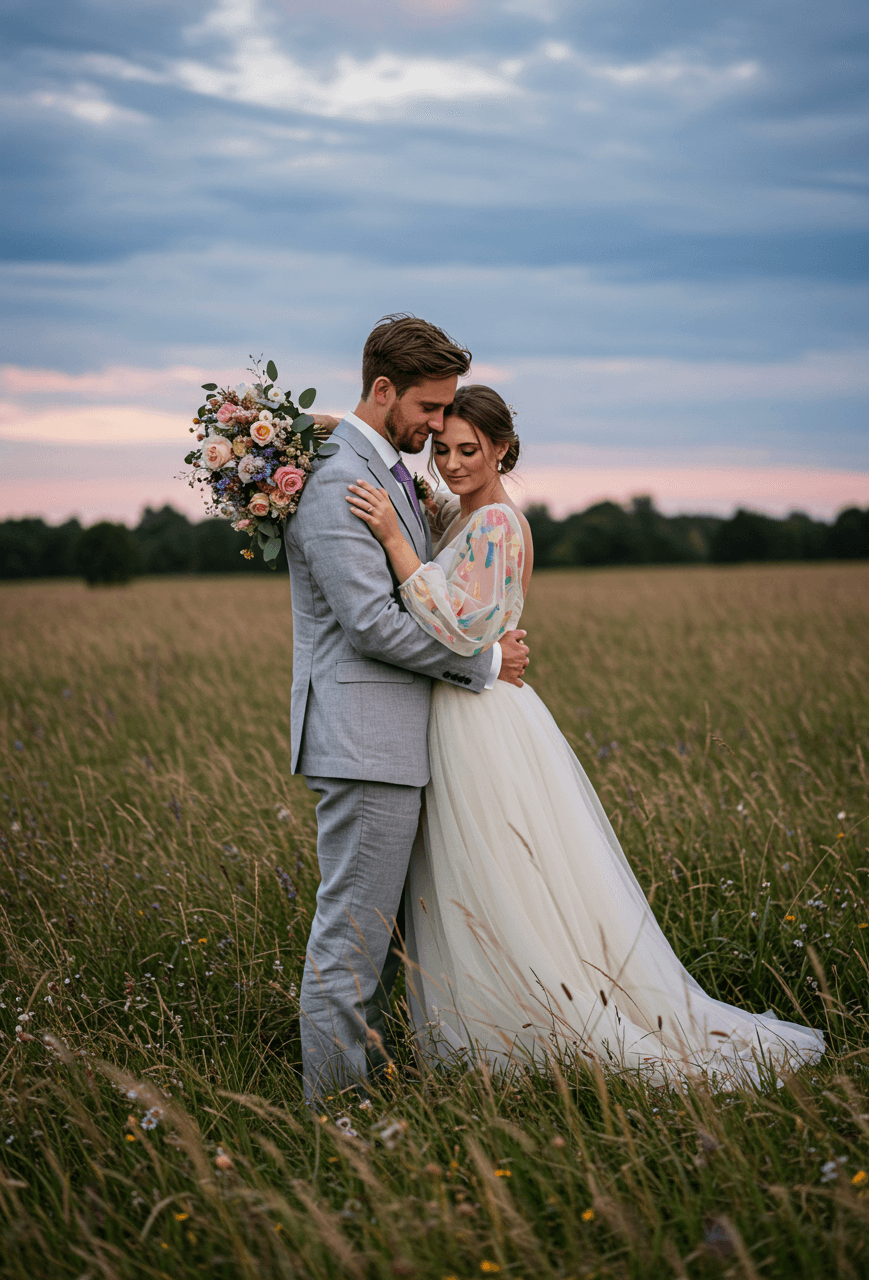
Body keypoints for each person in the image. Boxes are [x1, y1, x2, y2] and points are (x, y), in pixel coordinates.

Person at [345, 384, 825, 1090]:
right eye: (442, 448)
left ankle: (527, 1027)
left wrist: (391, 540)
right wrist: (311, 430)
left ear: (502, 449)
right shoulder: (461, 516)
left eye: (468, 451)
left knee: (498, 875)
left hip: (477, 716)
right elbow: (406, 476)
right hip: (467, 708)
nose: (450, 464)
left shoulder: (498, 526)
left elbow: (463, 627)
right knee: (471, 875)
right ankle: (481, 1023)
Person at [285, 316, 529, 1105]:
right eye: (429, 409)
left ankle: (376, 1079)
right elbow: (371, 623)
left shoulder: (372, 461)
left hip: (395, 740)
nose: (436, 427)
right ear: (383, 391)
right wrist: (484, 662)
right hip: (364, 741)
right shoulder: (334, 479)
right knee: (351, 941)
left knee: (384, 943)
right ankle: (334, 1113)